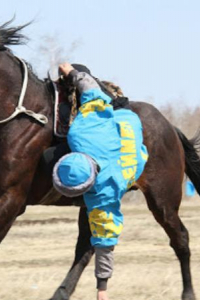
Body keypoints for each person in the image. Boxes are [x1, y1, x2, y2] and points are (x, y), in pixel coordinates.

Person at [52, 63, 149, 300]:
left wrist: (102, 289)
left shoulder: (103, 194)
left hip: (129, 141)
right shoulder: (82, 133)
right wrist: (72, 72)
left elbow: (106, 240)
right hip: (126, 119)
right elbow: (91, 88)